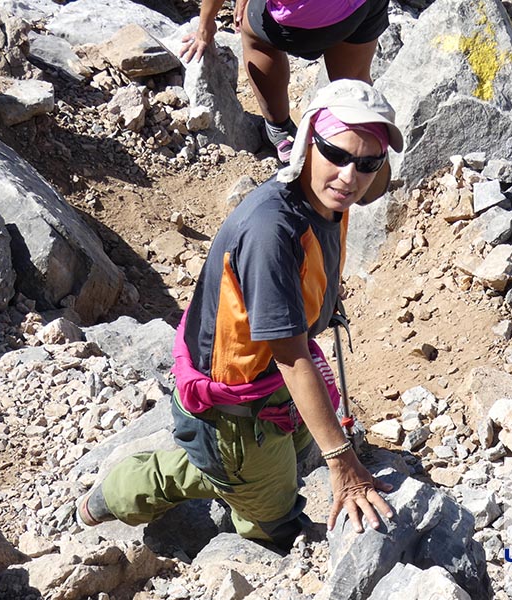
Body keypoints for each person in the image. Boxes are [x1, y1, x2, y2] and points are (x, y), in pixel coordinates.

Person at [77, 79, 404, 550]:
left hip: (267, 380)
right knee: (274, 523)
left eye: (368, 163)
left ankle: (239, 474)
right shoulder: (272, 231)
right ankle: (125, 490)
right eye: (336, 154)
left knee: (286, 455)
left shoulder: (326, 196)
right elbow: (292, 358)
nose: (350, 177)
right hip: (234, 406)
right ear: (308, 142)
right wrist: (342, 461)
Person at [179, 0, 390, 163]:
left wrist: (205, 29)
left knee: (255, 35)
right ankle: (361, 150)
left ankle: (280, 130)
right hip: (363, 9)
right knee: (352, 80)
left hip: (301, 20)